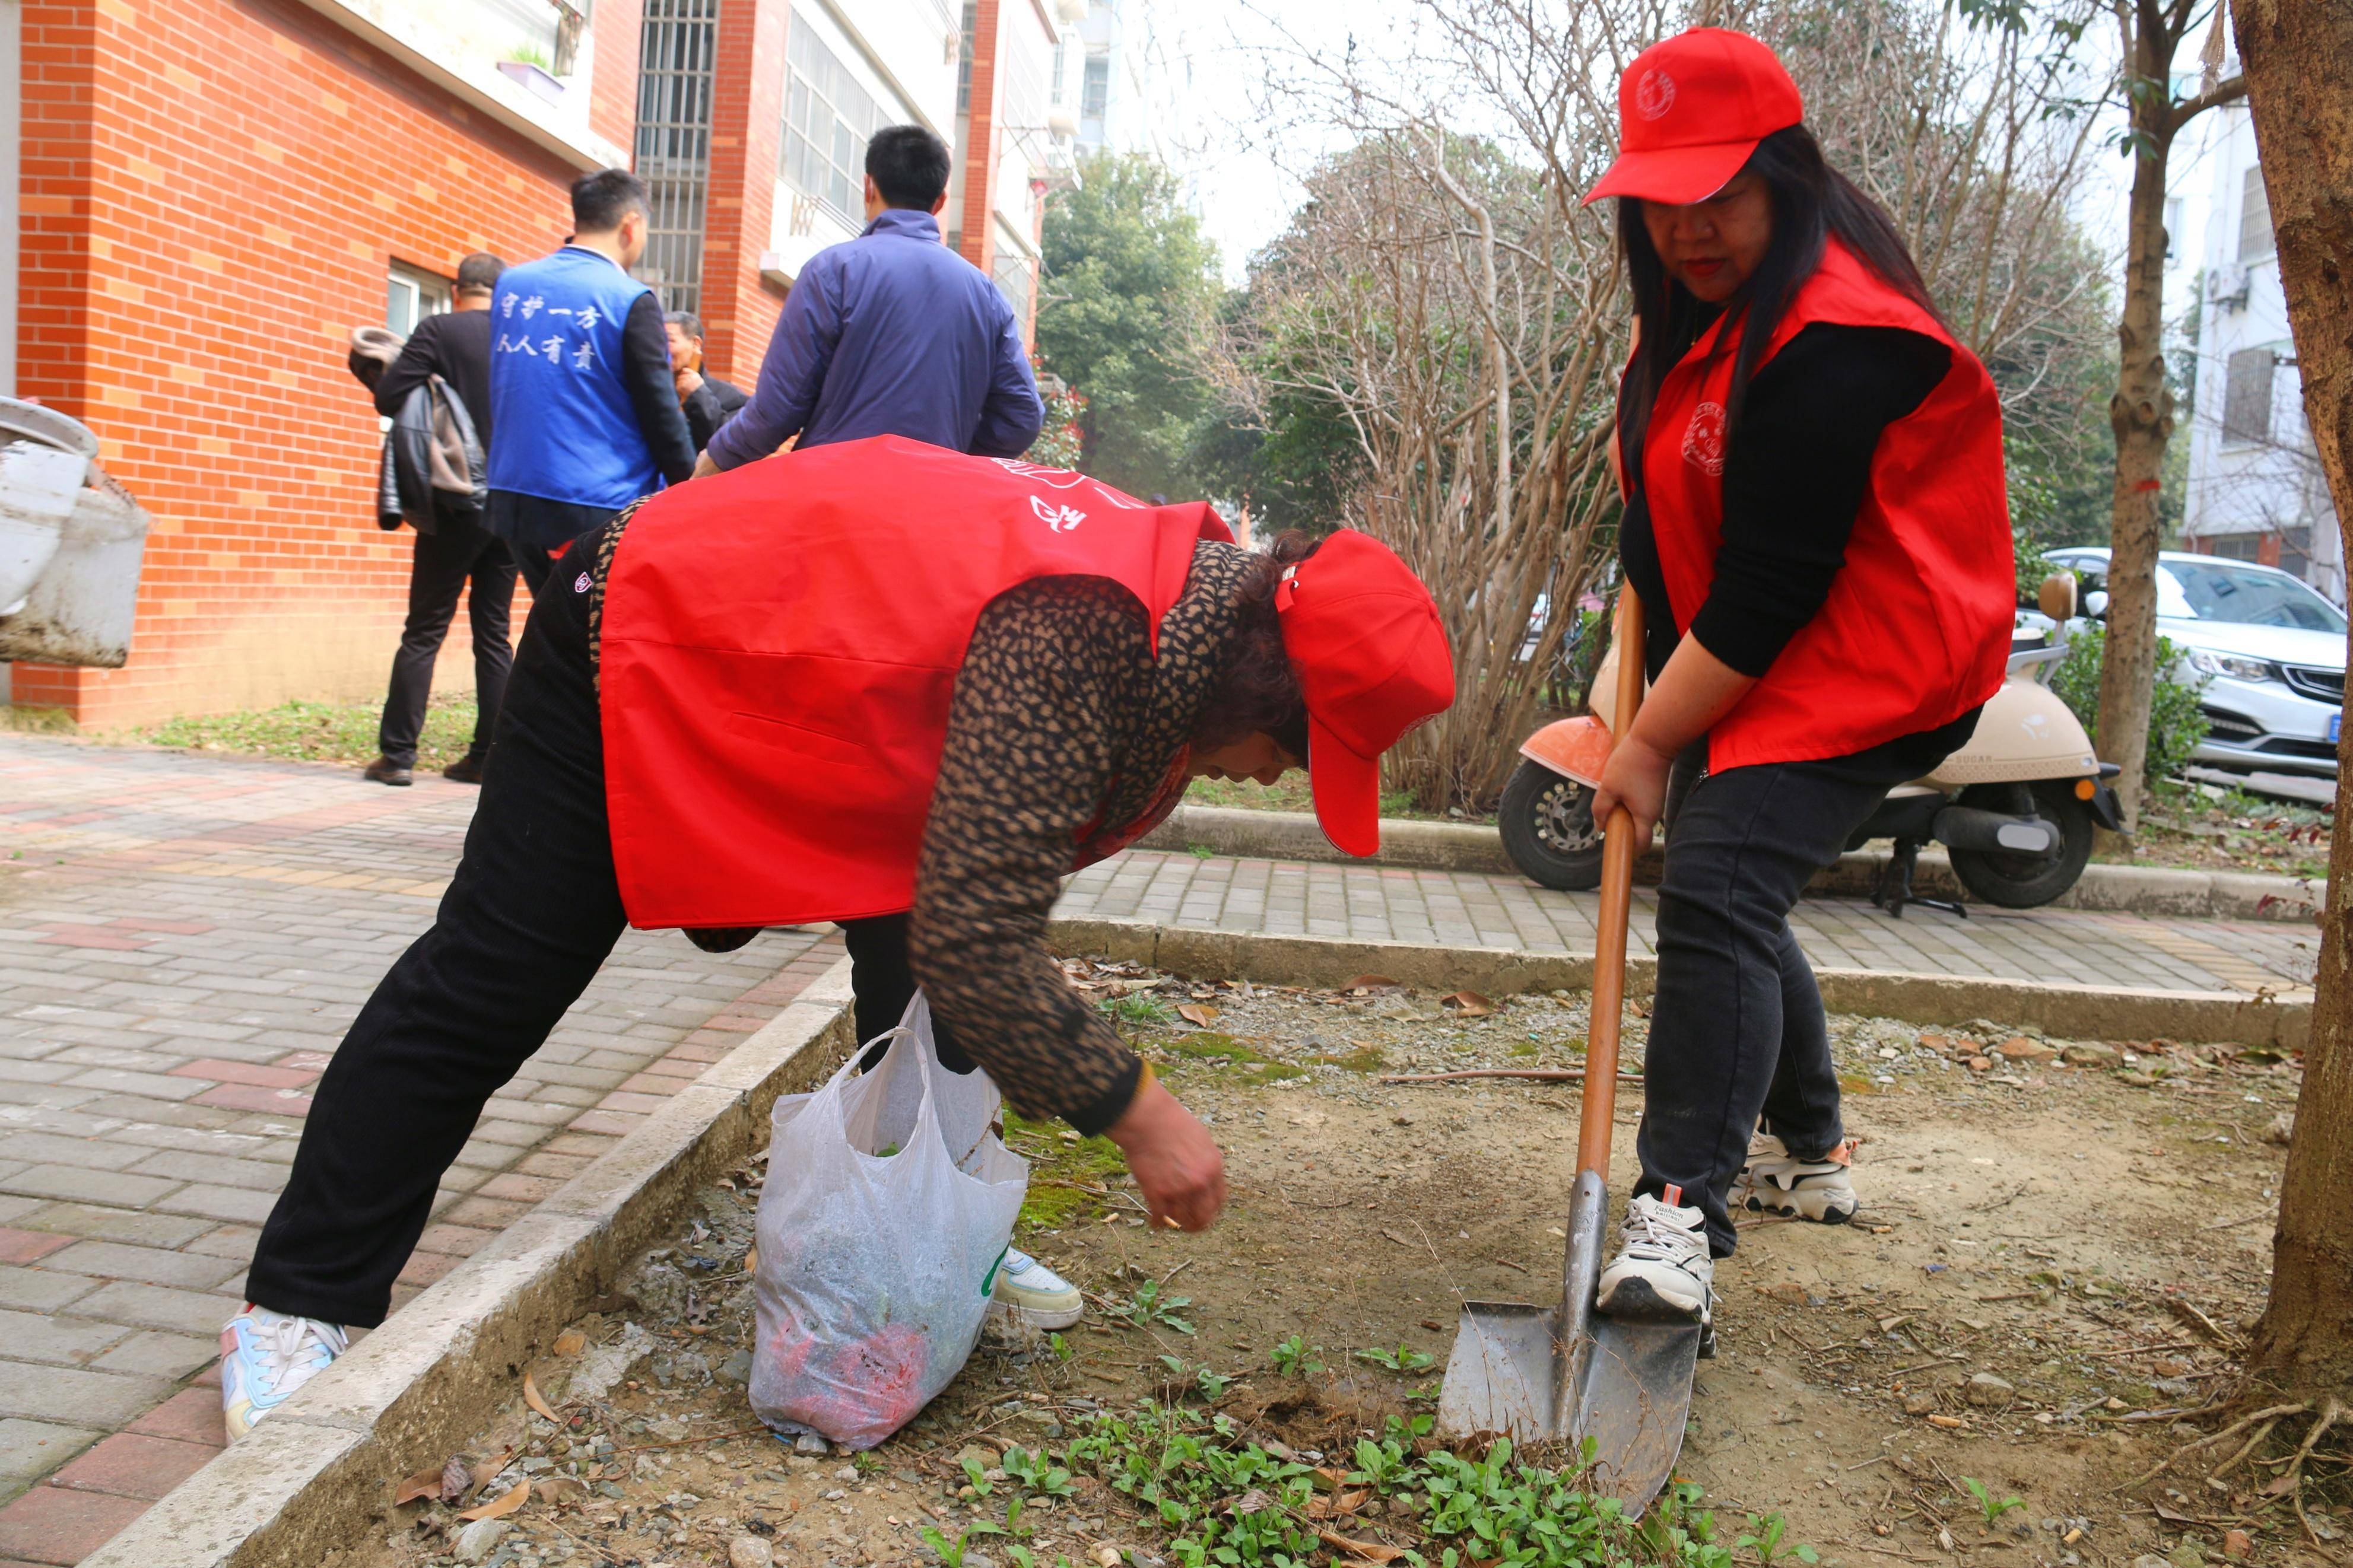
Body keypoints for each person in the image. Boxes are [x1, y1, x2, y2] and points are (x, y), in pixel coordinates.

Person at [217, 437, 1454, 1438]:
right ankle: (297, 1301)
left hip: (814, 693)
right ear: (1259, 689)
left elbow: (972, 906)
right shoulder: (1087, 634)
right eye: (1292, 750)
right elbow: (979, 940)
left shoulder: (1190, 606)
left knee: (917, 955)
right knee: (497, 972)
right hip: (645, 635)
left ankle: (922, 1235)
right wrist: (1141, 1113)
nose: (1265, 777)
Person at [1577, 30, 2013, 1330]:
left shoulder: (1838, 340)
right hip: (1765, 650)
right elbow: (1650, 536)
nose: (1688, 226)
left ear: (1788, 177)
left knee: (1714, 871)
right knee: (1738, 887)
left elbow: (1770, 588)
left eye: (1721, 193)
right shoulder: (1692, 331)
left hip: (1880, 655)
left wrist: (1650, 745)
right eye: (1662, 197)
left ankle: (1672, 1215)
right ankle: (1810, 1149)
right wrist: (1624, 676)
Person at [694, 126, 1042, 476]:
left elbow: (778, 410)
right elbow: (1023, 417)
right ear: (940, 202)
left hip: (835, 498)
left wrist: (716, 458)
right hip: (934, 506)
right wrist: (951, 458)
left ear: (869, 187)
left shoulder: (832, 272)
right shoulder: (986, 296)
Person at [485, 169, 697, 597]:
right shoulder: (628, 299)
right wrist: (689, 487)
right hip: (594, 504)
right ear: (631, 225)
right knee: (591, 641)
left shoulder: (511, 284)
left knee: (550, 630)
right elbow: (659, 413)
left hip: (513, 498)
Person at [350, 253, 517, 787]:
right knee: (494, 634)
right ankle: (487, 755)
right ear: (502, 291)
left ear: (455, 288)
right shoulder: (521, 337)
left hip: (454, 503)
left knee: (424, 629)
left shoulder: (438, 329)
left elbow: (390, 397)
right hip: (512, 502)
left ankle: (398, 756)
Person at [665, 311, 747, 452]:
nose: (661, 348)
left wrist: (698, 396)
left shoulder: (732, 398)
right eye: (656, 341)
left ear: (696, 344)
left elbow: (734, 448)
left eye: (669, 341)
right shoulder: (642, 391)